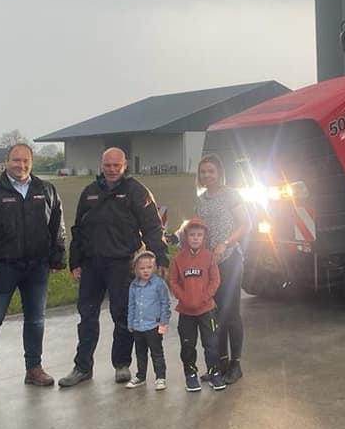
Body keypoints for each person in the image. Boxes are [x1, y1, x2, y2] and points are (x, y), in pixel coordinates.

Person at [0, 143, 66, 402]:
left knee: (36, 321)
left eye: (26, 160)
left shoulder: (46, 190)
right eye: (16, 160)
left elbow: (57, 227)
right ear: (6, 162)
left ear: (32, 162)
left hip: (37, 268)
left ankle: (33, 369)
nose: (21, 165)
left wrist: (56, 257)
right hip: (2, 268)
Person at [58, 147, 169, 387]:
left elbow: (152, 227)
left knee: (122, 315)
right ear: (101, 165)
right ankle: (82, 367)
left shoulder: (136, 192)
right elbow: (79, 230)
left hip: (122, 264)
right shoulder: (89, 193)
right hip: (92, 264)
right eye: (107, 165)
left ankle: (121, 364)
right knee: (87, 315)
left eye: (116, 166)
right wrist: (75, 261)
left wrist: (160, 258)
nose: (111, 170)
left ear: (124, 165)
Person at [193, 154, 250, 385]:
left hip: (229, 260)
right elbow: (199, 228)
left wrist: (225, 243)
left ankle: (236, 365)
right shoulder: (201, 199)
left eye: (211, 171)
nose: (207, 175)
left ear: (219, 173)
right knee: (215, 314)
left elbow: (246, 224)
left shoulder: (231, 195)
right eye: (203, 171)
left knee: (231, 312)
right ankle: (221, 363)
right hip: (210, 264)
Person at [170, 218, 224, 392]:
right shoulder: (179, 259)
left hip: (207, 310)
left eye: (199, 235)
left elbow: (215, 280)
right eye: (192, 235)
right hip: (186, 312)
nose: (195, 238)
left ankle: (214, 373)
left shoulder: (210, 257)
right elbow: (173, 281)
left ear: (204, 237)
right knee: (187, 345)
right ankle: (191, 375)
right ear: (186, 237)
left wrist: (205, 297)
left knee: (211, 344)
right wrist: (183, 297)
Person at [126, 250, 170, 391]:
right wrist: (130, 322)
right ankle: (141, 376)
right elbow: (131, 305)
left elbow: (165, 303)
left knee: (156, 353)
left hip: (154, 325)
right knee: (140, 353)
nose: (146, 271)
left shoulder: (159, 284)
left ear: (155, 267)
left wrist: (163, 321)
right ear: (135, 270)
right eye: (142, 268)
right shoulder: (133, 285)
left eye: (149, 267)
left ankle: (160, 377)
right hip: (138, 326)